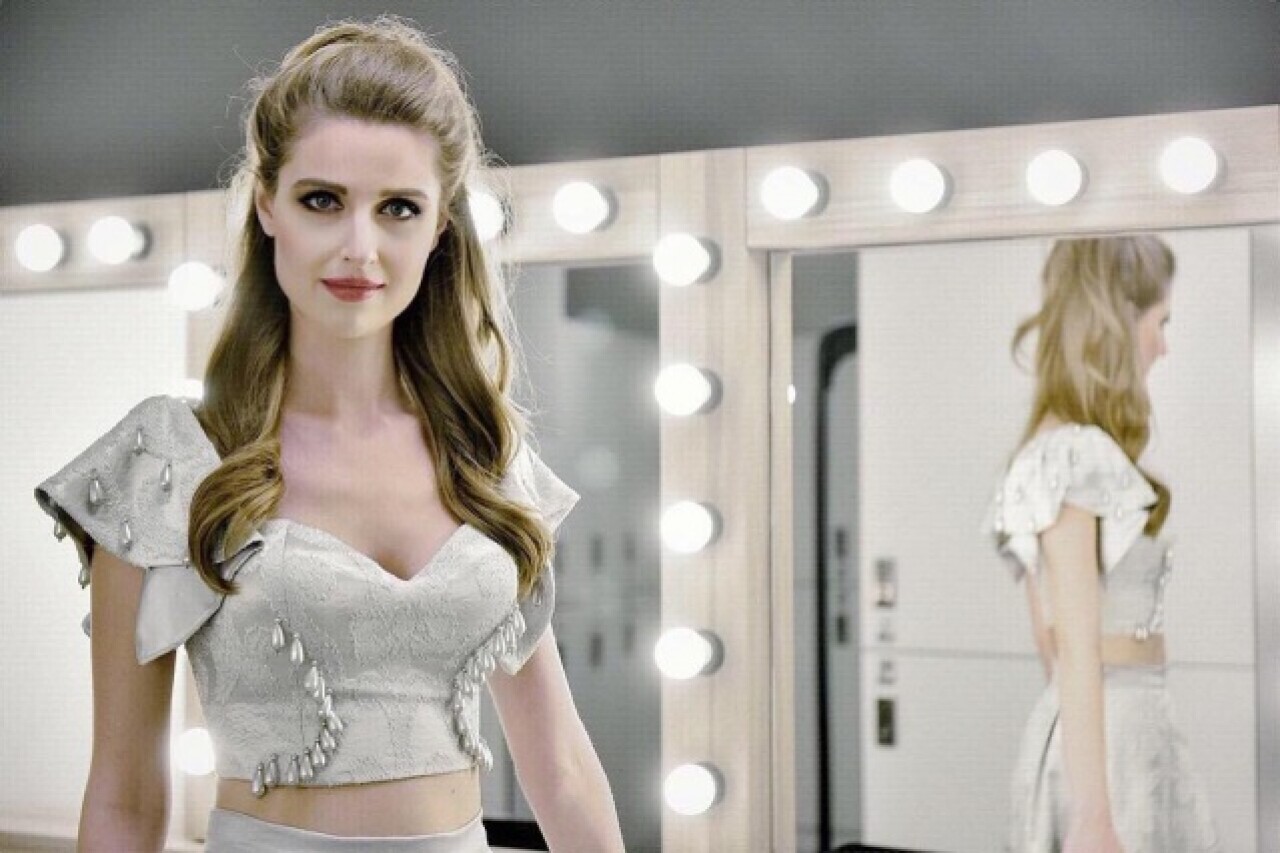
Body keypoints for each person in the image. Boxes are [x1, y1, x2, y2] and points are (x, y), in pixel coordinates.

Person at [33, 15, 625, 853]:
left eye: (398, 208)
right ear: (267, 205)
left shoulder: (486, 458)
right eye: (322, 200)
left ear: (440, 227)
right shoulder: (171, 463)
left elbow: (560, 769)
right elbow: (126, 799)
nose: (360, 247)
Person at [984, 235, 1219, 853]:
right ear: (1119, 322)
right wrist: (1092, 815)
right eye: (1160, 322)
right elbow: (1072, 645)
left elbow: (1050, 641)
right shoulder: (1072, 453)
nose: (1164, 346)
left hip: (1118, 730)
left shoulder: (1058, 449)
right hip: (1111, 740)